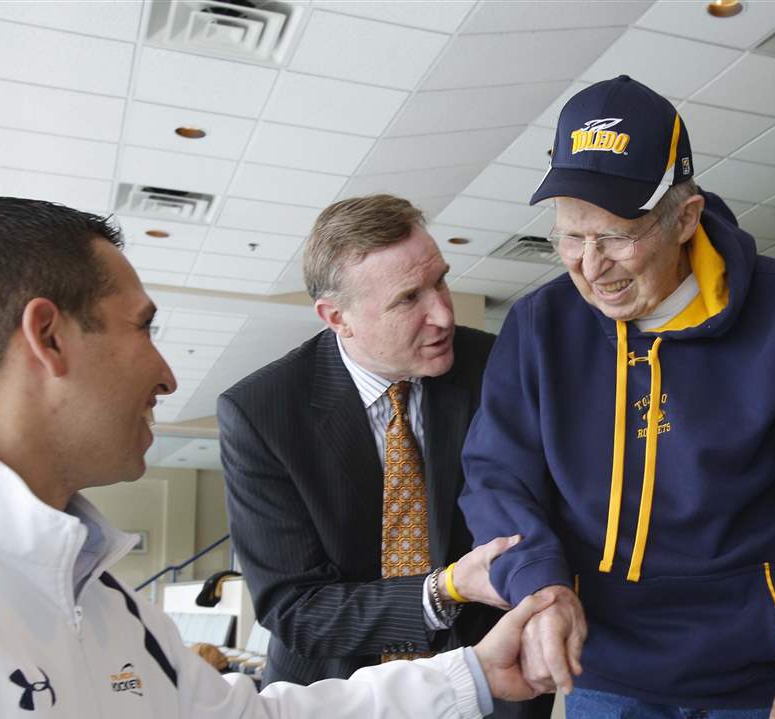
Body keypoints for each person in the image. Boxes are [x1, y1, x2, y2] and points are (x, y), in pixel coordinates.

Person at [0, 196, 552, 719]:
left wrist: (471, 676)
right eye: (143, 327)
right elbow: (295, 609)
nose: (166, 376)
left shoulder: (98, 591)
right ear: (48, 337)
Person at [458, 76, 775, 719]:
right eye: (571, 237)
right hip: (601, 671)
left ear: (685, 218)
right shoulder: (537, 326)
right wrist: (538, 584)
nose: (591, 266)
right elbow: (497, 479)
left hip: (757, 678)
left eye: (616, 237)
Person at [218, 194, 551, 718]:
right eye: (408, 299)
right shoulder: (261, 413)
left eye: (440, 281)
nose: (443, 314)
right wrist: (444, 589)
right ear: (337, 317)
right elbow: (294, 608)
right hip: (337, 694)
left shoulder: (497, 367)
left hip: (493, 686)